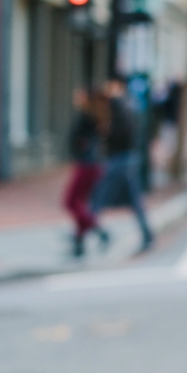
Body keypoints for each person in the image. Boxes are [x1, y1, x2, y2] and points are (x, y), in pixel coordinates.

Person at [93, 78, 154, 253]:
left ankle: (87, 234)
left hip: (121, 159)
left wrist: (106, 134)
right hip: (126, 158)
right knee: (133, 200)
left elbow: (123, 133)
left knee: (100, 196)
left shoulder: (118, 108)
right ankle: (147, 234)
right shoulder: (125, 105)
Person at [64, 88, 108, 257]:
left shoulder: (86, 117)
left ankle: (97, 228)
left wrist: (78, 151)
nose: (76, 96)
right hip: (92, 165)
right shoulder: (95, 116)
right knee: (79, 204)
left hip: (86, 165)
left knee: (69, 202)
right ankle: (79, 243)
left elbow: (77, 141)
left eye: (80, 94)